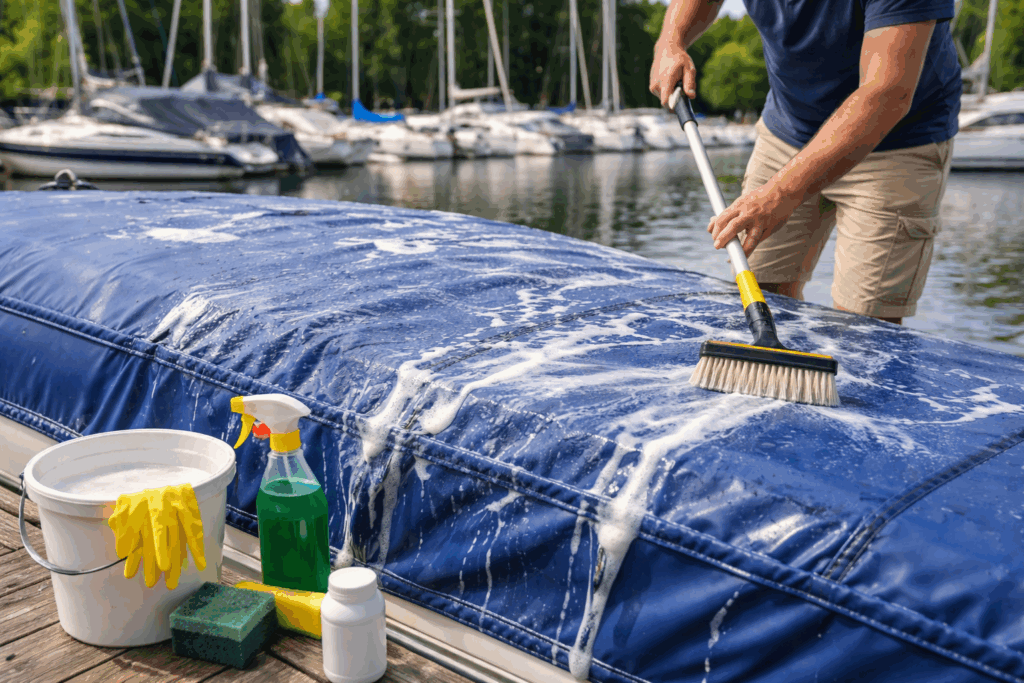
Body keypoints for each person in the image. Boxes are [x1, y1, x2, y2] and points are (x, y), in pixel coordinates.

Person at [650, 0, 961, 324]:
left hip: (894, 142)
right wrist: (671, 40)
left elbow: (886, 92)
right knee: (760, 293)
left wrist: (780, 194)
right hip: (788, 130)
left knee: (867, 330)